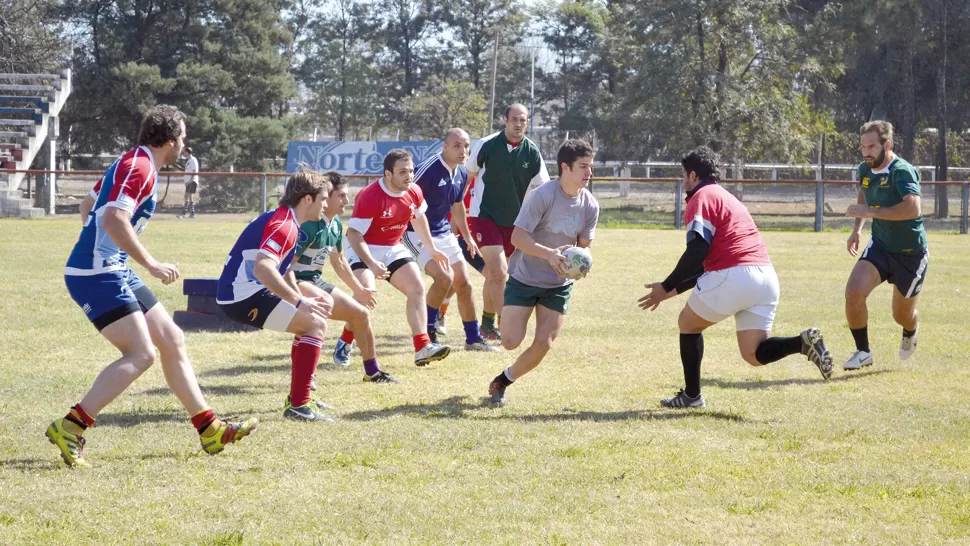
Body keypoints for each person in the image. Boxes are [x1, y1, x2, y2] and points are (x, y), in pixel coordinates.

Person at [50, 105, 257, 468]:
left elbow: (89, 205)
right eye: (184, 138)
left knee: (172, 338)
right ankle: (71, 425)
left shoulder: (136, 162)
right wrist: (149, 263)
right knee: (141, 354)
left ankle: (209, 429)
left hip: (110, 268)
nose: (185, 145)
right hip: (97, 274)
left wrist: (101, 244)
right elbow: (113, 217)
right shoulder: (139, 167)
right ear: (170, 139)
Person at [637, 146, 833, 409]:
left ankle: (692, 396)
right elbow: (706, 262)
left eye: (683, 175)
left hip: (734, 275)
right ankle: (802, 342)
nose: (682, 181)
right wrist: (669, 290)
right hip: (766, 277)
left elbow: (697, 251)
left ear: (693, 175)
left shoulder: (701, 197)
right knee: (753, 353)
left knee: (688, 323)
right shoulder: (728, 198)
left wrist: (667, 285)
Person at [216, 169, 336, 422]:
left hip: (249, 291)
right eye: (323, 198)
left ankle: (299, 399)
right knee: (315, 325)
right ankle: (299, 404)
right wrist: (299, 301)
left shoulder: (289, 221)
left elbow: (285, 269)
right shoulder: (284, 225)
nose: (326, 204)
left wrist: (302, 297)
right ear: (307, 199)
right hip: (242, 297)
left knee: (310, 323)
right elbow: (263, 268)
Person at [487, 139, 599, 405]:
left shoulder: (590, 205)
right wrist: (549, 254)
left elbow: (584, 247)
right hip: (525, 277)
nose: (589, 173)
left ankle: (503, 380)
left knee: (544, 343)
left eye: (590, 167)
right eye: (583, 166)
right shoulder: (543, 195)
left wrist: (582, 263)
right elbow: (517, 237)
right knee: (511, 341)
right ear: (565, 167)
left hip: (558, 284)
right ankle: (503, 314)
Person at [342, 149, 451, 367]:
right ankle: (345, 340)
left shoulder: (414, 191)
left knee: (417, 287)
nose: (409, 176)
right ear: (388, 174)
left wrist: (431, 249)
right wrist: (372, 264)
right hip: (363, 246)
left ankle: (422, 347)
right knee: (365, 296)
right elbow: (354, 234)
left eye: (410, 171)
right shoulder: (370, 195)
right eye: (402, 172)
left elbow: (419, 220)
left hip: (392, 246)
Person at [291, 172, 398, 383]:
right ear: (325, 197)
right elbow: (286, 264)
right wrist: (294, 295)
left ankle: (372, 372)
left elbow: (339, 261)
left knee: (360, 314)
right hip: (295, 281)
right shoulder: (309, 225)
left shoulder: (336, 224)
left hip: (313, 280)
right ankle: (306, 377)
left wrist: (359, 289)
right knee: (316, 317)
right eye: (341, 195)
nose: (346, 201)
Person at [843, 120, 928, 370]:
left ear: (887, 144)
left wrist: (869, 212)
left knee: (900, 315)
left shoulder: (902, 170)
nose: (866, 152)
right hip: (880, 246)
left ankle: (911, 328)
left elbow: (913, 209)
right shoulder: (864, 169)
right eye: (863, 146)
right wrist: (857, 229)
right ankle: (863, 352)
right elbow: (864, 194)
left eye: (871, 146)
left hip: (910, 254)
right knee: (853, 293)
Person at [404, 128, 497, 352]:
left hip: (444, 233)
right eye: (456, 146)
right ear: (444, 147)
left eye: (466, 146)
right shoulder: (427, 171)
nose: (462, 151)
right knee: (443, 278)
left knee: (464, 284)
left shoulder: (462, 173)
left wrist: (467, 237)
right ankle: (428, 335)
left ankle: (473, 339)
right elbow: (403, 194)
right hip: (415, 233)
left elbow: (457, 207)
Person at [465, 103, 550, 341]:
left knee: (495, 276)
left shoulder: (532, 152)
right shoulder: (487, 145)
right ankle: (506, 325)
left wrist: (543, 220)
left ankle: (487, 324)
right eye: (514, 119)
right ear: (505, 120)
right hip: (484, 217)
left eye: (523, 120)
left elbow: (543, 188)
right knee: (500, 273)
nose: (518, 124)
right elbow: (467, 177)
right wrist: (457, 211)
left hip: (515, 223)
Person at [178, 147, 199, 218]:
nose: (184, 153)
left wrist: (190, 180)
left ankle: (189, 213)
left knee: (189, 195)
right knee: (186, 196)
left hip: (192, 181)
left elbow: (194, 170)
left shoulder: (193, 160)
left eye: (185, 152)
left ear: (188, 152)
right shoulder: (189, 160)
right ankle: (187, 213)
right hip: (188, 182)